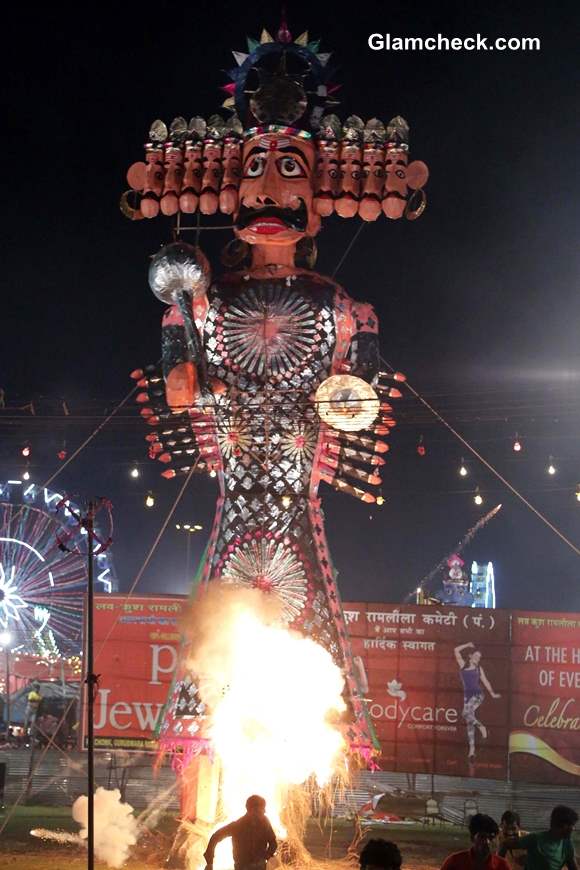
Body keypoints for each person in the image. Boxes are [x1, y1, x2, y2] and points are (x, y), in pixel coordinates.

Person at [454, 642, 501, 761]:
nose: (478, 659)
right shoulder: (463, 666)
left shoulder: (479, 669)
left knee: (465, 714)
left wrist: (492, 694)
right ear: (470, 656)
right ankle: (472, 750)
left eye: (479, 657)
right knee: (469, 722)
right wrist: (467, 645)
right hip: (467, 698)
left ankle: (482, 727)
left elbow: (486, 682)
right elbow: (455, 650)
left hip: (478, 695)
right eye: (476, 656)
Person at [204, 795, 277, 870]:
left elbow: (273, 842)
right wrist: (209, 863)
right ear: (252, 810)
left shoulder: (264, 822)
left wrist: (268, 855)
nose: (264, 812)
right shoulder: (237, 826)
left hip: (260, 867)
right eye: (261, 810)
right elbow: (215, 837)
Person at [501, 805, 578, 870]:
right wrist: (498, 865)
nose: (572, 828)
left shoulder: (567, 845)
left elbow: (573, 867)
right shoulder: (535, 839)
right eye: (570, 825)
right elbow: (506, 844)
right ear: (558, 824)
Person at [441, 813, 510, 870]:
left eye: (491, 837)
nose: (487, 842)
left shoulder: (501, 866)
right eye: (482, 837)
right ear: (472, 838)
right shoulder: (454, 862)